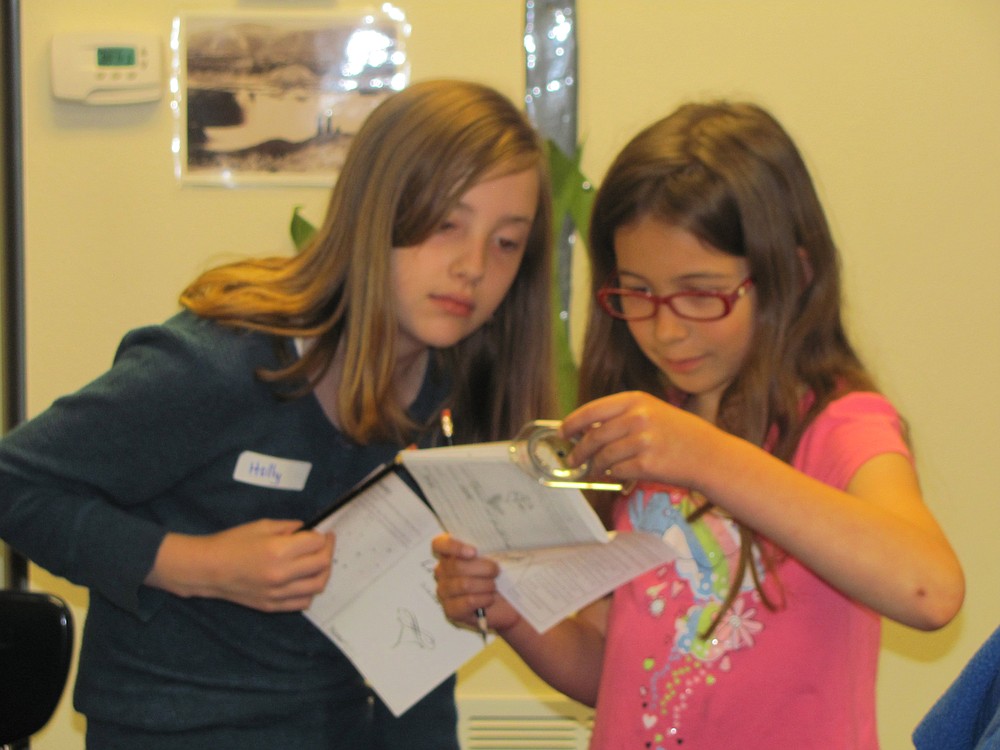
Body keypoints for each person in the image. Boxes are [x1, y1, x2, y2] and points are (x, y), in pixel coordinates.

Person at [0, 79, 554, 749]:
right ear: (376, 213)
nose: (472, 267)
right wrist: (196, 564)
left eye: (506, 243)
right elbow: (15, 484)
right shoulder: (219, 364)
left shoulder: (458, 397)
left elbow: (424, 649)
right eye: (446, 224)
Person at [433, 100, 965, 748]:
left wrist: (705, 456)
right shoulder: (650, 437)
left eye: (700, 292)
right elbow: (617, 671)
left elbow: (929, 591)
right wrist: (513, 613)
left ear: (789, 274)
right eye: (638, 293)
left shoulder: (841, 426)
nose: (665, 328)